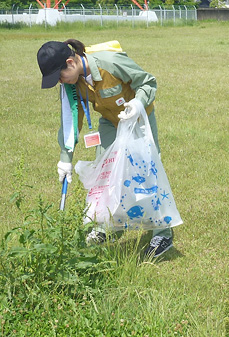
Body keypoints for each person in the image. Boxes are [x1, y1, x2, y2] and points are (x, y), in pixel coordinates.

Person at [37, 39, 174, 257]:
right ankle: (107, 227)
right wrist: (65, 158)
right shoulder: (71, 84)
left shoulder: (109, 62)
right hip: (110, 122)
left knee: (147, 171)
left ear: (70, 62)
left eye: (60, 76)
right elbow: (71, 120)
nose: (60, 82)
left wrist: (138, 104)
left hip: (138, 116)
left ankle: (163, 232)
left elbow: (147, 82)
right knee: (105, 173)